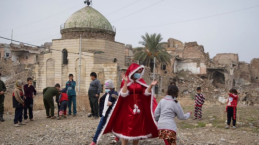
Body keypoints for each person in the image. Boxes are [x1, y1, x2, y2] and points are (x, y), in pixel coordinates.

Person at [98, 63, 158, 145]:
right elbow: (123, 94)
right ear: (133, 72)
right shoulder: (126, 81)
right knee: (125, 129)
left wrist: (151, 85)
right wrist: (126, 82)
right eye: (138, 72)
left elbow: (146, 93)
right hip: (127, 109)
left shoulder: (141, 81)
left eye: (140, 72)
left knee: (137, 131)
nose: (139, 74)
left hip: (139, 110)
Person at [90, 79, 119, 145]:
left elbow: (117, 103)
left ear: (111, 87)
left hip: (111, 114)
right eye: (105, 88)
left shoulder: (114, 94)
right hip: (105, 114)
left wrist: (111, 104)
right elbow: (103, 100)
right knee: (99, 127)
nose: (106, 89)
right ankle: (94, 141)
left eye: (107, 88)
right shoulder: (107, 94)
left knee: (115, 127)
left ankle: (117, 136)